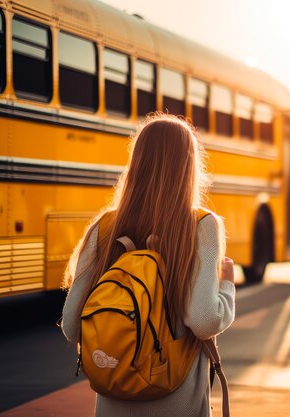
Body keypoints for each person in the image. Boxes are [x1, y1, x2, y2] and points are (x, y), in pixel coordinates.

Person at [61, 113, 236, 417]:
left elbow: (70, 325)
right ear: (189, 166)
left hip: (113, 402)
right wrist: (227, 286)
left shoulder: (104, 228)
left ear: (137, 161)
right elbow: (204, 320)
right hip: (175, 400)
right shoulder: (200, 225)